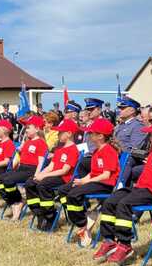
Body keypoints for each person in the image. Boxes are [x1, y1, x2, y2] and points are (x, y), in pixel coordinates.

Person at [93, 118, 152, 266]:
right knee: (110, 202)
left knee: (124, 204)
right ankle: (109, 240)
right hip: (138, 188)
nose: (150, 138)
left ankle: (125, 243)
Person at [58, 118, 119, 246]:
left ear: (101, 136)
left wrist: (86, 182)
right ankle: (85, 218)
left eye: (91, 133)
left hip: (104, 185)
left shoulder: (109, 151)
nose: (89, 135)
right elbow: (92, 172)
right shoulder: (96, 151)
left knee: (74, 194)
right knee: (64, 190)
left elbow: (106, 175)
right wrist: (83, 180)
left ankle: (82, 225)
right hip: (95, 182)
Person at [25, 118, 80, 230]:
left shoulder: (73, 149)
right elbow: (51, 166)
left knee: (42, 185)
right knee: (30, 183)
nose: (58, 134)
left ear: (69, 134)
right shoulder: (59, 149)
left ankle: (50, 215)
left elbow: (64, 170)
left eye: (60, 132)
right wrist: (39, 174)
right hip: (54, 175)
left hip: (63, 178)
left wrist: (43, 176)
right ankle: (39, 213)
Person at [0, 115, 48, 218]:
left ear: (37, 129)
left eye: (28, 127)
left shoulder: (41, 143)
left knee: (8, 181)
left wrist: (37, 174)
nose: (25, 130)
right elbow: (20, 157)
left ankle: (17, 202)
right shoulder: (27, 142)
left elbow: (41, 161)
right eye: (25, 128)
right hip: (21, 168)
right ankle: (14, 201)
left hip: (31, 170)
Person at [114, 97, 146, 184]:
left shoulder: (138, 126)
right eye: (120, 108)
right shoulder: (120, 126)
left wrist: (117, 146)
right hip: (115, 155)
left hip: (128, 157)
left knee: (126, 157)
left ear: (132, 110)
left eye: (123, 108)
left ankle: (119, 185)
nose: (120, 110)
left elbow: (134, 148)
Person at [78, 98, 104, 175]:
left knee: (81, 162)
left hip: (96, 157)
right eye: (88, 109)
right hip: (87, 155)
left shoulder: (103, 123)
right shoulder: (90, 124)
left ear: (99, 110)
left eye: (92, 109)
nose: (89, 111)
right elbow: (85, 144)